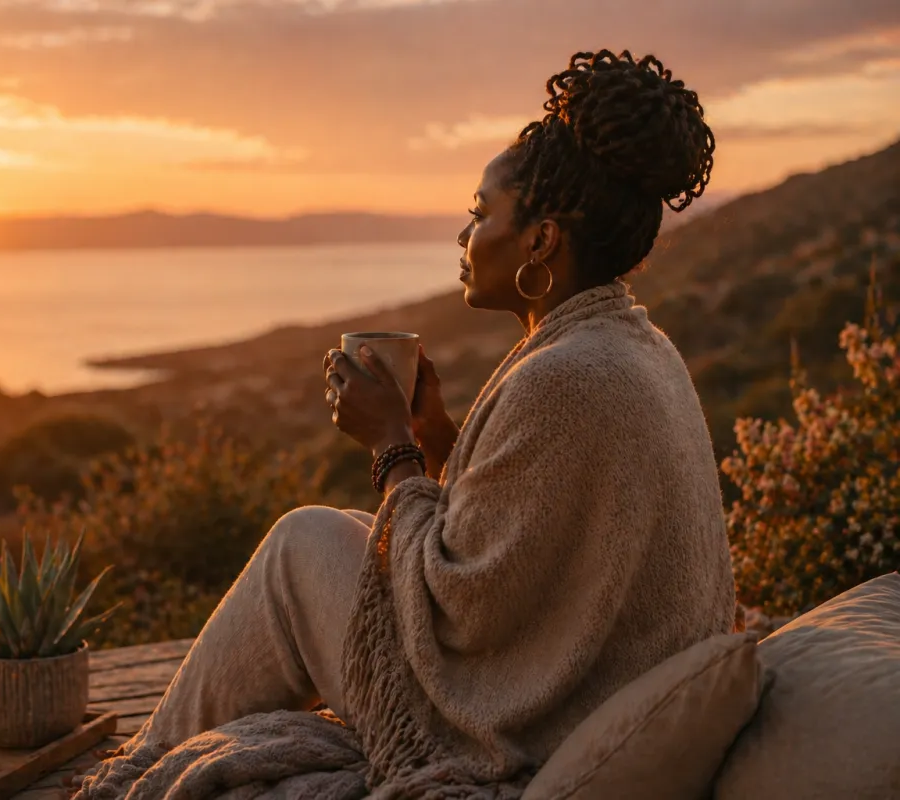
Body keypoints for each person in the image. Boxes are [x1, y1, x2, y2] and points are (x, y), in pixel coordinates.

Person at [78, 49, 736, 799]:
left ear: (541, 241)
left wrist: (390, 446)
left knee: (302, 546)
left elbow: (465, 611)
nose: (464, 237)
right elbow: (523, 545)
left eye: (482, 213)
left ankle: (129, 776)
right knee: (333, 534)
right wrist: (437, 441)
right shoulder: (634, 346)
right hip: (578, 690)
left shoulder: (564, 376)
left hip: (506, 721)